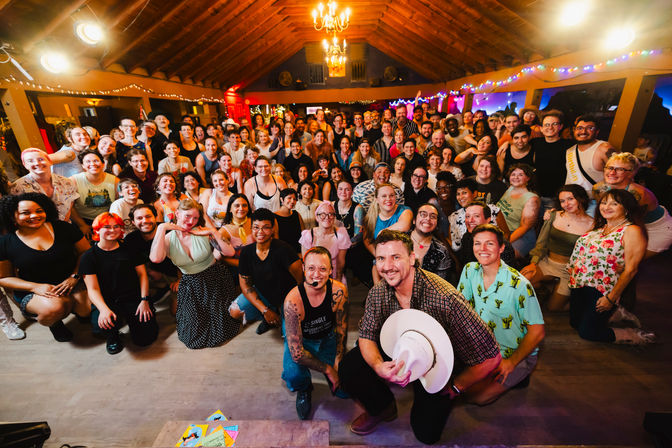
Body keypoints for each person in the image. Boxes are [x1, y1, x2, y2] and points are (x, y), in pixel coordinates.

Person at [338, 230, 501, 444]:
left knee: (426, 435)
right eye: (381, 258)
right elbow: (366, 336)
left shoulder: (445, 298)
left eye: (396, 257)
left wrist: (456, 386)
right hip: (401, 347)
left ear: (412, 259)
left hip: (440, 361)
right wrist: (378, 366)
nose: (387, 266)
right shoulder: (378, 292)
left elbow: (491, 356)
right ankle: (382, 408)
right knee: (349, 367)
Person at [458, 224, 545, 404]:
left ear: (501, 247)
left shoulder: (519, 285)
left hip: (511, 352)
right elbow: (460, 310)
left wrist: (511, 362)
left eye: (489, 244)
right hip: (481, 347)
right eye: (477, 243)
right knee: (454, 386)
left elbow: (537, 332)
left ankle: (521, 371)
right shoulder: (469, 270)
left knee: (477, 397)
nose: (482, 249)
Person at [150, 199, 240, 349]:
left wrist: (212, 231)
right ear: (177, 213)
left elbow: (229, 252)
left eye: (195, 218)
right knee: (191, 337)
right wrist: (162, 228)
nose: (191, 221)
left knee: (221, 330)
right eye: (187, 216)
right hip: (191, 284)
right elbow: (156, 258)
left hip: (214, 279)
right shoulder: (167, 239)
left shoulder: (203, 233)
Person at [0, 193, 91, 342]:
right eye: (25, 213)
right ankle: (55, 323)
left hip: (71, 281)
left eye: (39, 210)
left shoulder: (62, 227)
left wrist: (74, 277)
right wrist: (36, 287)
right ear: (12, 216)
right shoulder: (5, 242)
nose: (34, 216)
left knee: (86, 310)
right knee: (54, 308)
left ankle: (74, 306)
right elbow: (3, 278)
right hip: (35, 290)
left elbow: (86, 253)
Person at [568, 189, 653, 344]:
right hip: (579, 283)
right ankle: (617, 314)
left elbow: (631, 269)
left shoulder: (631, 230)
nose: (606, 207)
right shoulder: (600, 228)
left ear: (626, 208)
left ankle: (632, 335)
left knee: (588, 333)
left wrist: (611, 298)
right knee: (575, 323)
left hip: (602, 289)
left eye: (614, 203)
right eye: (604, 202)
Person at [283, 247, 349, 420]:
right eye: (311, 268)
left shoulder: (338, 291)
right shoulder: (293, 301)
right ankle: (305, 389)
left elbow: (342, 326)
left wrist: (338, 358)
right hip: (303, 341)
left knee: (345, 371)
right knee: (293, 374)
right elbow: (297, 354)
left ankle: (333, 371)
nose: (316, 274)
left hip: (328, 338)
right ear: (304, 268)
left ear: (330, 271)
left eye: (322, 269)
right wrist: (328, 369)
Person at [80, 212, 158, 355]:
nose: (112, 230)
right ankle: (113, 336)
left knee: (145, 339)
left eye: (116, 226)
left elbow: (142, 275)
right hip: (108, 301)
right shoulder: (89, 257)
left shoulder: (129, 249)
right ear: (97, 229)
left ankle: (134, 321)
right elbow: (92, 289)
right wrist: (103, 309)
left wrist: (144, 300)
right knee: (102, 326)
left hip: (133, 298)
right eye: (106, 227)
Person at [229, 208, 303, 335]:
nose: (260, 232)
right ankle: (268, 317)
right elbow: (245, 285)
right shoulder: (247, 252)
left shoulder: (284, 250)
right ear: (251, 229)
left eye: (266, 227)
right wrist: (265, 311)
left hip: (286, 296)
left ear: (273, 229)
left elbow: (300, 280)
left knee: (289, 334)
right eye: (256, 227)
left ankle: (279, 315)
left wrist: (289, 305)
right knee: (234, 311)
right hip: (263, 293)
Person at [521, 185, 593, 311]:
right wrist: (533, 263)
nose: (566, 204)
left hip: (568, 271)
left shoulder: (592, 225)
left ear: (580, 199)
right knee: (521, 282)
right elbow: (541, 242)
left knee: (553, 308)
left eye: (570, 199)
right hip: (547, 263)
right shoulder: (554, 215)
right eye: (562, 201)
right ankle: (549, 286)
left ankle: (582, 304)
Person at [593, 152, 672, 257]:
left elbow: (634, 225)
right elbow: (603, 215)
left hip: (656, 229)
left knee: (624, 261)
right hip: (628, 224)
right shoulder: (598, 189)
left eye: (620, 169)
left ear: (631, 173)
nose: (612, 172)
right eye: (609, 167)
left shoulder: (639, 194)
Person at [125, 204, 180, 311]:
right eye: (139, 218)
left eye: (148, 216)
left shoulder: (169, 231)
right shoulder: (131, 239)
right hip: (150, 274)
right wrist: (144, 299)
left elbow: (184, 260)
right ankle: (159, 290)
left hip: (174, 274)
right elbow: (140, 270)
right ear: (133, 222)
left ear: (155, 217)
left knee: (175, 311)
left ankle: (167, 291)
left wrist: (180, 280)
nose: (145, 221)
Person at [11, 148, 80, 224]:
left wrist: (62, 226)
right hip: (37, 230)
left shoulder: (67, 182)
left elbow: (70, 205)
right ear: (25, 165)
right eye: (30, 161)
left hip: (65, 226)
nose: (37, 163)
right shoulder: (17, 187)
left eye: (41, 159)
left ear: (49, 161)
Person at [299, 201, 351, 284]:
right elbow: (306, 262)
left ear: (334, 217)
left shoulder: (341, 234)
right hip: (314, 276)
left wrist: (338, 279)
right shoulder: (308, 235)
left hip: (334, 275)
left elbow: (341, 262)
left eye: (331, 214)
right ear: (317, 217)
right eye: (322, 214)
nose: (327, 217)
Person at [531, 110, 573, 210]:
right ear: (541, 128)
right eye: (546, 125)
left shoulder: (569, 145)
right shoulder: (535, 143)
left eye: (554, 124)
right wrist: (507, 143)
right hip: (536, 195)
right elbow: (519, 145)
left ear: (560, 126)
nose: (550, 127)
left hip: (557, 197)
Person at [496, 164, 540, 258]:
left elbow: (524, 227)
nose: (516, 177)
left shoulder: (532, 199)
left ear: (528, 178)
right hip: (502, 231)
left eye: (520, 175)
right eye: (513, 174)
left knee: (501, 255)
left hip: (519, 236)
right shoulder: (510, 188)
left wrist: (504, 243)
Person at [565, 115, 615, 195]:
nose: (583, 131)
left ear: (597, 131)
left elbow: (620, 173)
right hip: (574, 201)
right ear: (574, 130)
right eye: (580, 128)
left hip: (596, 201)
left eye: (590, 128)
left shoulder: (604, 148)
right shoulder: (570, 151)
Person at [456, 201, 516, 267]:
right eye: (467, 216)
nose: (470, 220)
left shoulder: (501, 245)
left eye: (476, 216)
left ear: (488, 220)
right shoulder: (466, 238)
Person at [409, 203, 456, 283]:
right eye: (423, 215)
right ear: (414, 220)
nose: (428, 219)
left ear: (437, 223)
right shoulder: (398, 241)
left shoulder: (441, 251)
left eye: (433, 216)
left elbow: (440, 286)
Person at [70, 150, 119, 227]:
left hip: (107, 220)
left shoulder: (115, 181)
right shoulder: (74, 181)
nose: (92, 164)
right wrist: (83, 225)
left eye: (96, 161)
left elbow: (118, 203)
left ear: (103, 164)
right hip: (82, 220)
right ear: (83, 166)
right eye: (88, 161)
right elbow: (70, 208)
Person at [218, 194, 254, 274]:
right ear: (230, 209)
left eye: (244, 205)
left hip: (259, 266)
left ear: (248, 208)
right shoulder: (224, 231)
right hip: (237, 271)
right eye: (237, 206)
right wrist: (244, 265)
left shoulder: (255, 223)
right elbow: (223, 258)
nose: (241, 208)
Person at [275, 188, 304, 253]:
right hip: (283, 253)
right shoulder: (274, 217)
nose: (292, 201)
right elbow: (275, 240)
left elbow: (303, 234)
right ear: (281, 199)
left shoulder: (296, 214)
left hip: (298, 252)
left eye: (294, 199)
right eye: (289, 198)